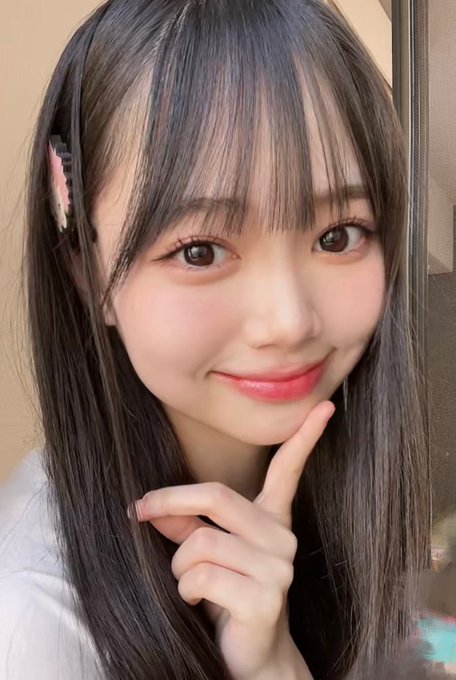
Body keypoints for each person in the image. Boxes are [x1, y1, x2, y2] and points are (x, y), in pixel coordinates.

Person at [0, 0, 432, 678]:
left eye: (337, 235)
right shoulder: (34, 625)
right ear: (89, 272)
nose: (289, 321)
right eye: (199, 250)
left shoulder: (350, 496)